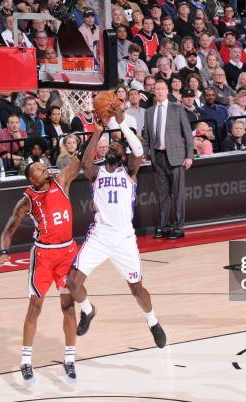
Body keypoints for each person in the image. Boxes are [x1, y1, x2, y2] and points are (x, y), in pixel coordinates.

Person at [68, 101, 167, 355]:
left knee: (137, 289)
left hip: (123, 237)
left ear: (122, 154)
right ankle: (88, 310)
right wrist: (99, 129)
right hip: (100, 235)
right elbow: (85, 162)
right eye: (110, 146)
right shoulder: (96, 173)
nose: (113, 147)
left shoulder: (130, 171)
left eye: (116, 146)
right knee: (72, 284)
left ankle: (152, 321)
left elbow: (138, 150)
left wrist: (122, 123)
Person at [0, 129, 84, 385]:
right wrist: (4, 251)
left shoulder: (61, 181)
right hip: (44, 256)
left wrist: (97, 131)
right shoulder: (28, 199)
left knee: (69, 306)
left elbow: (80, 160)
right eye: (37, 169)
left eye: (44, 166)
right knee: (35, 307)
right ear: (31, 179)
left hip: (67, 252)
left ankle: (69, 360)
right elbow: (9, 228)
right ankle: (26, 362)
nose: (44, 169)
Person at [143, 81, 193, 240]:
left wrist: (189, 156)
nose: (159, 91)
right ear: (154, 92)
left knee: (177, 194)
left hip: (176, 157)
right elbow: (147, 137)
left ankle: (179, 227)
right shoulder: (149, 112)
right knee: (162, 195)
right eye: (157, 89)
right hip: (158, 157)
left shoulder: (177, 108)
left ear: (167, 91)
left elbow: (188, 135)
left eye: (162, 89)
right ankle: (164, 226)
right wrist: (146, 152)